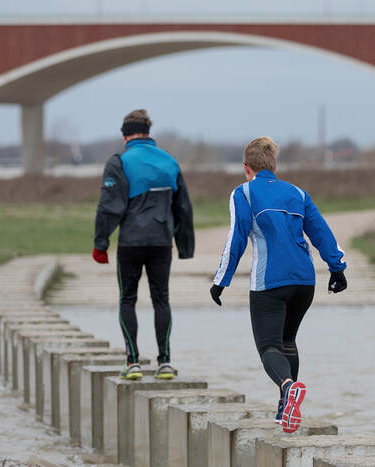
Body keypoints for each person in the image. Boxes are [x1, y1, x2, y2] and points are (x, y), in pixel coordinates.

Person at [209, 136, 347, 434]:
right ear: (275, 164)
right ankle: (286, 410)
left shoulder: (243, 193)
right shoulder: (297, 193)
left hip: (270, 282)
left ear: (246, 168)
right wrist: (337, 268)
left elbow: (236, 240)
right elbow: (321, 232)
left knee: (269, 347)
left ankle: (287, 389)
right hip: (304, 281)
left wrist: (221, 280)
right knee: (287, 342)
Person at [93, 109, 194, 380]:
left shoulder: (120, 162)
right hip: (161, 243)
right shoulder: (169, 162)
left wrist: (100, 244)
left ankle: (133, 362)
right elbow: (183, 207)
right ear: (148, 134)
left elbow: (108, 207)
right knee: (162, 299)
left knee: (128, 299)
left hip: (131, 243)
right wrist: (185, 246)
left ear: (126, 135)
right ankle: (165, 362)